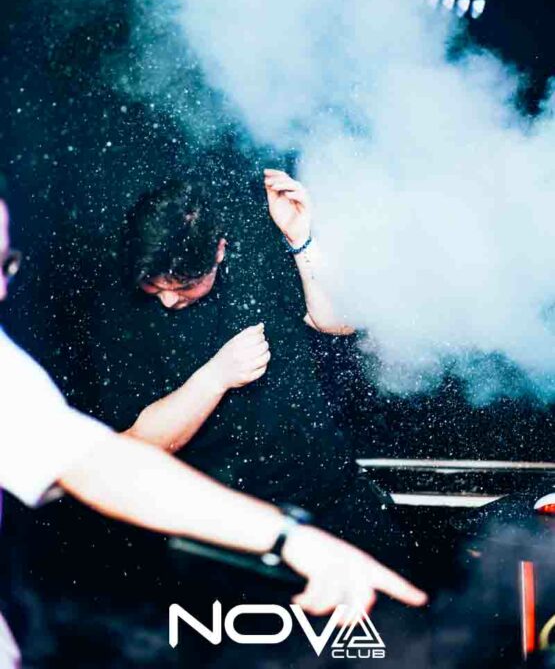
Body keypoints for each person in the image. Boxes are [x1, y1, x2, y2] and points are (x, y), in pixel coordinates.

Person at [0, 176, 426, 668]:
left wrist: (301, 240)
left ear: (219, 252)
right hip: (219, 545)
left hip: (335, 508)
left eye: (182, 286)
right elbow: (123, 453)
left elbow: (336, 323)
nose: (167, 299)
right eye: (155, 286)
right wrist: (215, 378)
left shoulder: (257, 255)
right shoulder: (120, 307)